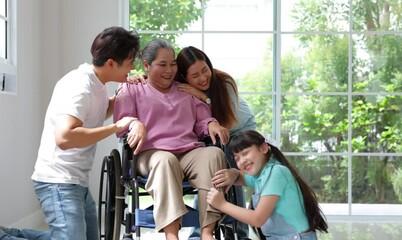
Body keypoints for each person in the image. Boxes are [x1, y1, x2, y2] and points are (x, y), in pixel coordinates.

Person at [31, 26, 140, 240]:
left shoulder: (98, 82)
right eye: (129, 63)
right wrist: (117, 127)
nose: (133, 67)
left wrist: (123, 95)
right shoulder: (79, 86)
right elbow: (64, 138)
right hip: (57, 181)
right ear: (111, 63)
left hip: (76, 181)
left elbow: (98, 110)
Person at [114, 38, 229, 240]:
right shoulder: (132, 89)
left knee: (214, 154)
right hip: (150, 154)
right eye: (162, 65)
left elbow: (203, 119)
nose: (170, 70)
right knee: (165, 160)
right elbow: (122, 124)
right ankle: (171, 235)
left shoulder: (185, 90)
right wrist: (134, 124)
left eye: (173, 64)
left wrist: (211, 123)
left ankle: (207, 233)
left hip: (188, 152)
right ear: (147, 65)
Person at [175, 46, 256, 240]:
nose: (203, 78)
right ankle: (201, 230)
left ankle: (239, 231)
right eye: (195, 75)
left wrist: (204, 98)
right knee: (209, 163)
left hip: (239, 131)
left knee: (227, 158)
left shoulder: (224, 82)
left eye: (205, 70)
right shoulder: (179, 87)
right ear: (185, 78)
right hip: (211, 136)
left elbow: (226, 125)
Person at [207, 130, 328, 240]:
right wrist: (233, 173)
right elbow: (241, 177)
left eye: (245, 153)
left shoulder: (276, 172)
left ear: (264, 148)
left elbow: (257, 219)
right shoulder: (261, 175)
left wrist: (222, 204)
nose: (242, 161)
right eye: (237, 158)